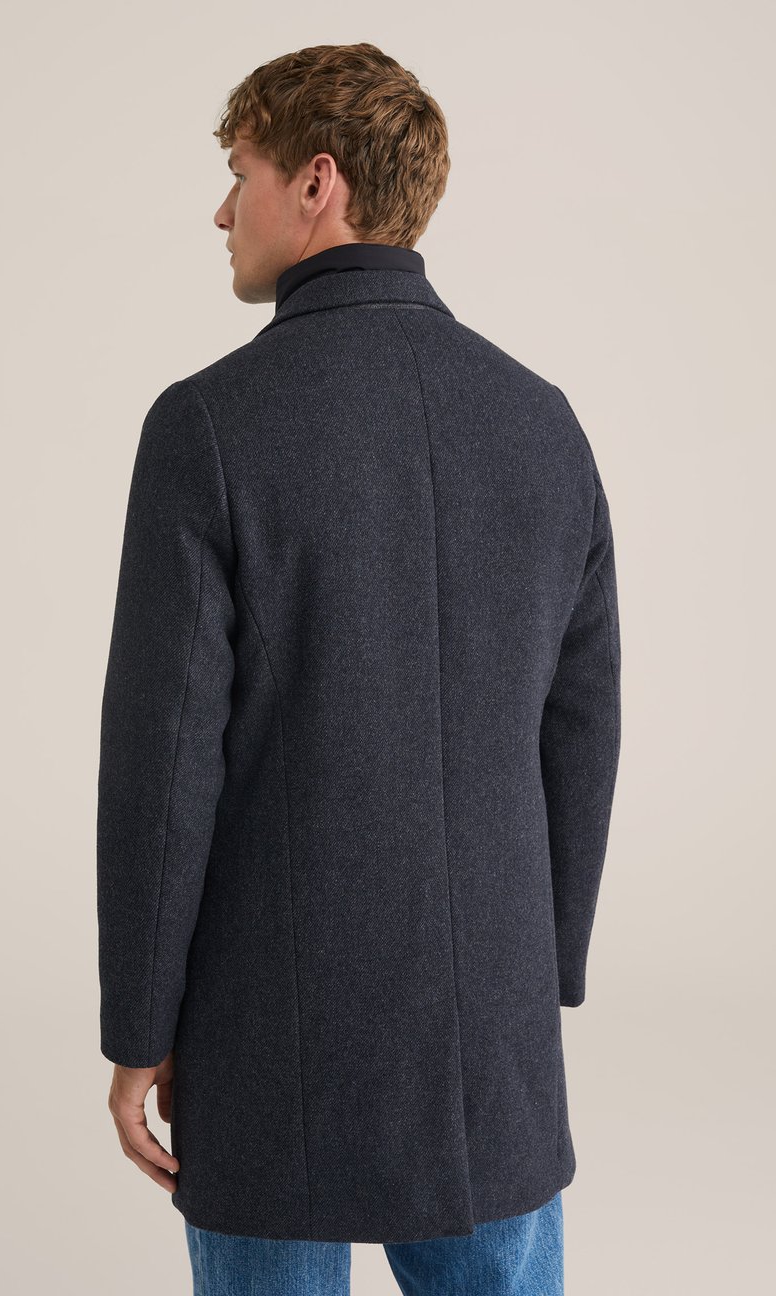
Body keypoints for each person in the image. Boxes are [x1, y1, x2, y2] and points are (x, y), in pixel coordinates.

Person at [96, 41, 621, 1296]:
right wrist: (538, 966)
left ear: (316, 182)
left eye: (241, 173)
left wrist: (140, 1026)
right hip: (488, 1041)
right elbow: (582, 724)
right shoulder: (543, 421)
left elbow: (165, 761)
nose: (223, 211)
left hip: (268, 1030)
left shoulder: (208, 426)